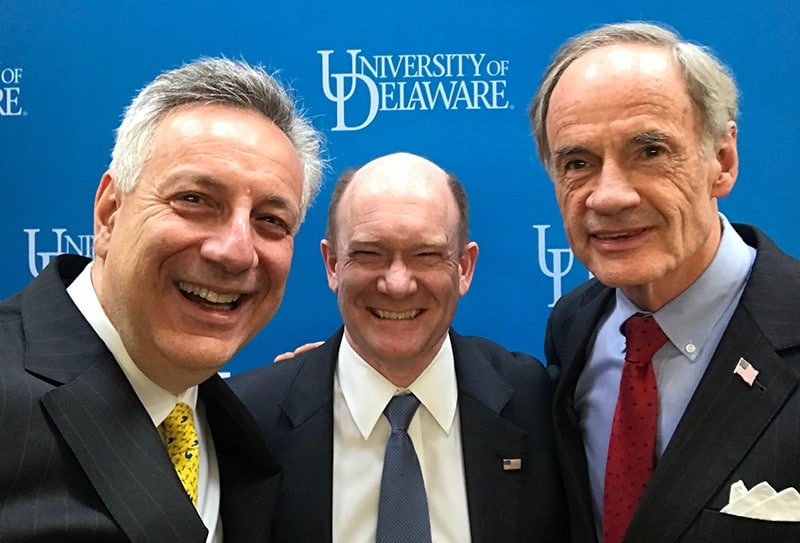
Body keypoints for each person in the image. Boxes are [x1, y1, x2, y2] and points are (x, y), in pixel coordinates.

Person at [0, 57, 323, 542]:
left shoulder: (248, 432)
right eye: (195, 199)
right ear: (110, 214)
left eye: (271, 220)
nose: (236, 252)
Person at [531, 22, 800, 543]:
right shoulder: (572, 326)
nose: (608, 196)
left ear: (721, 161)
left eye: (650, 151)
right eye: (578, 162)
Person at [230, 151, 567, 542]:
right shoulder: (248, 420)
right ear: (332, 265)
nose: (397, 283)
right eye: (369, 254)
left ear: (464, 268)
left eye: (426, 255)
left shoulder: (540, 406)